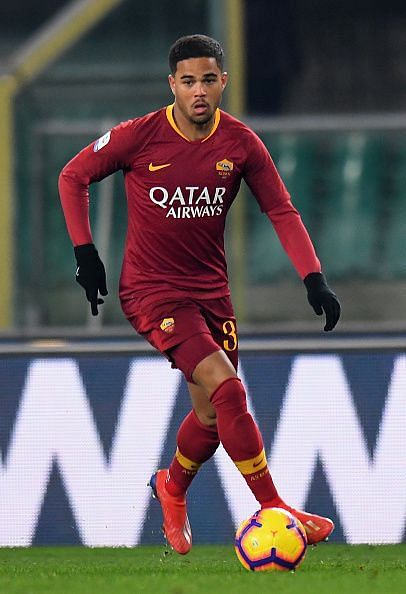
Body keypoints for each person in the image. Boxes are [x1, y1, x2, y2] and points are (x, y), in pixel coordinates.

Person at [59, 34, 341, 555]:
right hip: (153, 292)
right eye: (188, 81)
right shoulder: (139, 136)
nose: (199, 91)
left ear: (222, 82)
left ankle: (171, 488)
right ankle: (276, 507)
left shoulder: (240, 143)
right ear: (172, 85)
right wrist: (85, 253)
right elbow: (73, 175)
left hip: (212, 295)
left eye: (208, 80)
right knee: (228, 389)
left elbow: (281, 209)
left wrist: (313, 277)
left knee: (212, 417)